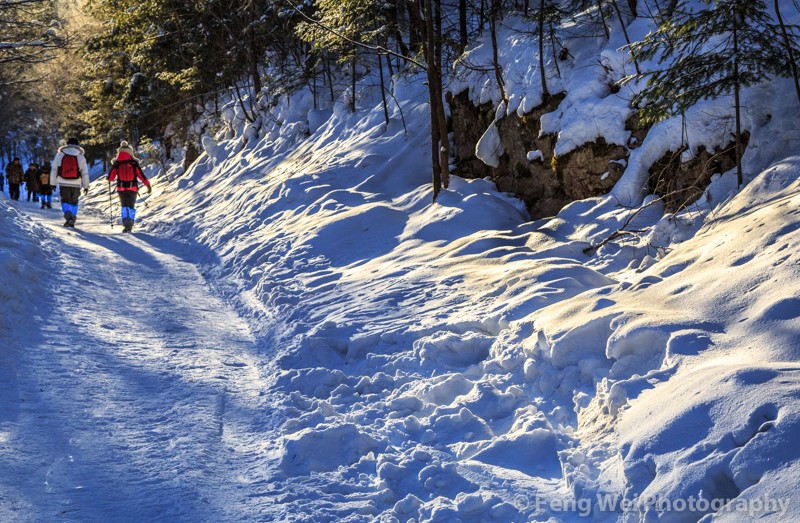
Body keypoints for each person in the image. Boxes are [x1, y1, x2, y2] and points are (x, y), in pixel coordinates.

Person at [107, 141, 151, 233]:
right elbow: (140, 175)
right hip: (133, 188)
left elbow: (111, 177)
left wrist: (109, 179)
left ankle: (126, 224)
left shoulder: (117, 163)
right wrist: (147, 184)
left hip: (121, 188)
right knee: (131, 206)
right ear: (130, 152)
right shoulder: (134, 163)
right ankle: (130, 223)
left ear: (119, 152)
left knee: (124, 206)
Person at [50, 138, 90, 227]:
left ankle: (68, 217)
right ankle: (72, 217)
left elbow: (54, 170)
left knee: (65, 201)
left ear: (67, 144)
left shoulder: (60, 154)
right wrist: (86, 186)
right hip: (76, 183)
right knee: (74, 202)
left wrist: (53, 183)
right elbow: (84, 173)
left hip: (63, 182)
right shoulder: (80, 156)